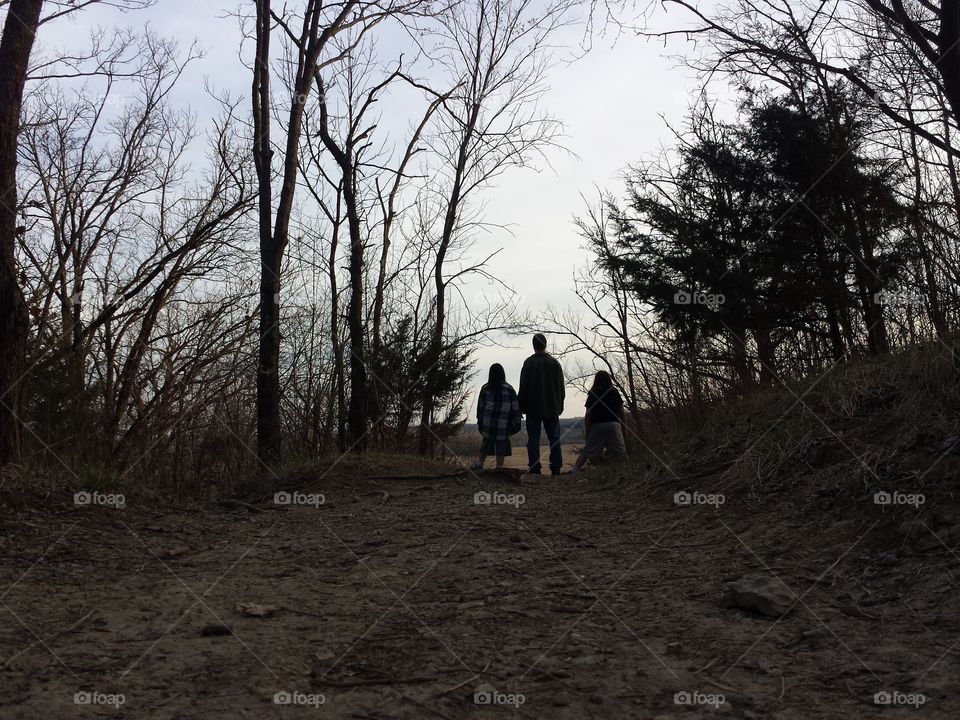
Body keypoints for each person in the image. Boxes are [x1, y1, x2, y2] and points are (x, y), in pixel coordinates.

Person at [518, 333, 565, 475]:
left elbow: (523, 387)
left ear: (533, 345)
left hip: (532, 408)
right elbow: (561, 388)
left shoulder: (528, 363)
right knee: (554, 438)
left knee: (533, 439)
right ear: (545, 344)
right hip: (552, 407)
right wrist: (559, 405)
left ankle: (534, 467)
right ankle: (556, 467)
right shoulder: (554, 363)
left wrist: (520, 406)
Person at [570, 370, 629, 474]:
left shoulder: (593, 394)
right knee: (620, 453)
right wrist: (624, 428)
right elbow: (622, 412)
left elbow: (588, 415)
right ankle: (624, 472)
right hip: (613, 425)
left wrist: (587, 431)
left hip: (596, 426)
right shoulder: (614, 392)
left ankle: (575, 470)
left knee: (587, 451)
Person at [472, 363, 522, 469]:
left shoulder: (485, 388)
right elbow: (516, 409)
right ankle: (499, 468)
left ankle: (479, 464)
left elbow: (480, 408)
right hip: (503, 425)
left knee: (486, 443)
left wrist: (481, 423)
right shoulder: (509, 389)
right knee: (501, 446)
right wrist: (516, 425)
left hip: (487, 424)